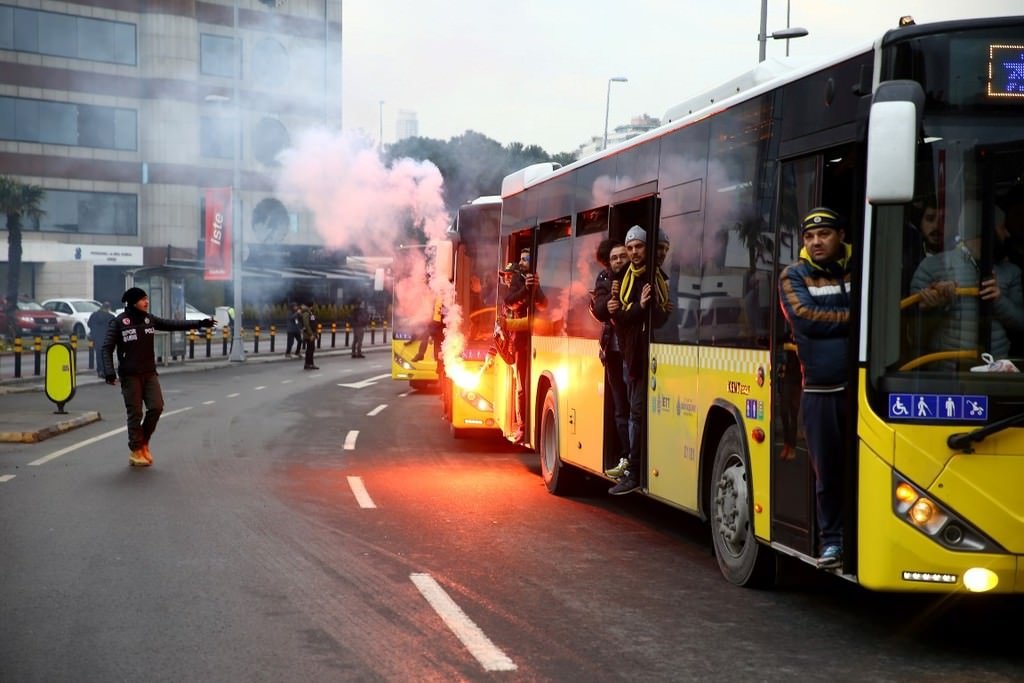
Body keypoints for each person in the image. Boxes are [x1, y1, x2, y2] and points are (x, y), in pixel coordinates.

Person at [778, 207, 852, 568]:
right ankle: (833, 543)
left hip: (861, 392)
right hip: (820, 392)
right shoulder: (794, 275)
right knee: (828, 471)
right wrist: (859, 318)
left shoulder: (862, 265)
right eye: (809, 236)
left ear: (840, 236)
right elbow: (805, 319)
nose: (816, 242)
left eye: (823, 234)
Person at [101, 287, 214, 467]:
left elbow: (172, 324)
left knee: (157, 407)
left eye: (147, 298)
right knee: (135, 413)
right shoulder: (119, 322)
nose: (147, 302)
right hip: (130, 376)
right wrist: (108, 371)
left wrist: (200, 323)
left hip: (149, 372)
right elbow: (106, 348)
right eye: (143, 299)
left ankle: (143, 442)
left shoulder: (149, 319)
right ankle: (136, 450)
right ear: (133, 302)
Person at [599, 225, 669, 495]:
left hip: (644, 356)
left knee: (637, 414)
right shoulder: (624, 279)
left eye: (638, 247)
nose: (633, 252)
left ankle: (634, 471)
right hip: (632, 356)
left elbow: (659, 316)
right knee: (632, 413)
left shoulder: (653, 278)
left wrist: (641, 309)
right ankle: (632, 470)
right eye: (630, 248)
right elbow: (620, 317)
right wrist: (638, 307)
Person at [909, 228, 1024, 364]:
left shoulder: (1011, 271)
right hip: (947, 370)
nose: (1007, 233)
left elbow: (1020, 322)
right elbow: (910, 335)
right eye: (1003, 227)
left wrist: (998, 301)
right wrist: (936, 305)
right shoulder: (932, 266)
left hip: (995, 369)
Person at [590, 239, 630, 477]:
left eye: (622, 257)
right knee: (619, 406)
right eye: (614, 258)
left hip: (631, 351)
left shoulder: (635, 277)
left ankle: (630, 456)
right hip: (612, 352)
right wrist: (610, 304)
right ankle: (624, 454)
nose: (618, 261)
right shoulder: (604, 279)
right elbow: (598, 307)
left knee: (632, 405)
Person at [502, 248, 546, 442]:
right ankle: (523, 426)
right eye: (520, 258)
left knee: (533, 385)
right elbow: (510, 302)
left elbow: (544, 304)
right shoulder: (518, 280)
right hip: (521, 341)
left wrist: (535, 289)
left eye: (525, 259)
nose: (521, 262)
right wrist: (525, 289)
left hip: (543, 338)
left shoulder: (539, 278)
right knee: (522, 386)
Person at [87, 301, 115, 378]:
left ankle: (100, 371)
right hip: (107, 339)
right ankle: (105, 371)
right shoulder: (111, 317)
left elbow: (89, 324)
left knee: (99, 355)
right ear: (109, 308)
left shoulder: (94, 315)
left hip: (96, 338)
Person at [300, 302, 319, 370]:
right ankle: (309, 364)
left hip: (312, 334)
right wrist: (311, 334)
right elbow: (306, 325)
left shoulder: (310, 313)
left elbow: (313, 324)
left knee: (311, 349)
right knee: (310, 349)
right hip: (309, 335)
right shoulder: (306, 313)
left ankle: (309, 364)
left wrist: (315, 334)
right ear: (311, 306)